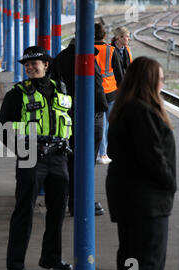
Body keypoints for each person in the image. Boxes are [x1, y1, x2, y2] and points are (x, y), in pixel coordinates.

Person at [0, 46, 73, 270]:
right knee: (24, 211)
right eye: (27, 65)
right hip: (31, 158)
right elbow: (3, 128)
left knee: (58, 210)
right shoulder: (17, 93)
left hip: (59, 158)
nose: (30, 67)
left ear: (46, 65)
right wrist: (23, 150)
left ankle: (51, 257)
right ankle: (15, 266)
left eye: (35, 63)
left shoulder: (61, 90)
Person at [106, 57, 176, 270]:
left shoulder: (124, 108)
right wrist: (170, 183)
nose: (162, 85)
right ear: (149, 81)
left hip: (129, 201)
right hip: (147, 203)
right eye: (160, 80)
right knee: (148, 264)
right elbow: (153, 156)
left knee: (131, 258)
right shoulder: (142, 111)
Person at [51, 38, 108, 216]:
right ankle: (81, 202)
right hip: (89, 116)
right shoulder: (86, 58)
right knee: (86, 162)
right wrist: (103, 108)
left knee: (71, 160)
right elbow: (97, 88)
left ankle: (71, 200)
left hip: (66, 116)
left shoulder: (59, 58)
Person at [95, 23, 121, 165]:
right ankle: (103, 153)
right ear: (104, 35)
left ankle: (99, 151)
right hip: (110, 91)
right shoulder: (111, 50)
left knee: (98, 123)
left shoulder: (86, 49)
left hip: (93, 91)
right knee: (107, 123)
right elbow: (118, 73)